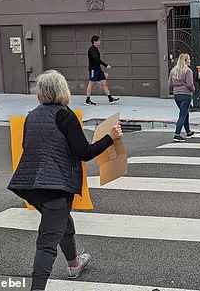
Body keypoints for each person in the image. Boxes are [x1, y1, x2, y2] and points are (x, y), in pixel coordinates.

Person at [8, 70, 123, 290]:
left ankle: (73, 264)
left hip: (29, 186)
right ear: (63, 90)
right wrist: (111, 138)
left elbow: (27, 147)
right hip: (55, 187)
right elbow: (84, 152)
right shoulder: (65, 115)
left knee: (62, 222)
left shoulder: (32, 115)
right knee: (47, 242)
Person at [85, 35, 119, 106]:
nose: (100, 42)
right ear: (95, 41)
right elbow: (97, 60)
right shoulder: (92, 49)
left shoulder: (96, 49)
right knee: (91, 84)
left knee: (104, 83)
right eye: (98, 41)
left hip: (98, 69)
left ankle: (110, 98)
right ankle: (87, 100)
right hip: (93, 69)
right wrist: (106, 65)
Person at [168, 53, 195, 142]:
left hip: (177, 95)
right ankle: (177, 134)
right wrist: (193, 89)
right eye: (189, 59)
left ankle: (188, 131)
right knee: (182, 114)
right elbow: (190, 84)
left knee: (185, 112)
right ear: (185, 61)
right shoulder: (188, 71)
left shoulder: (173, 71)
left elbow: (170, 84)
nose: (190, 61)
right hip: (186, 95)